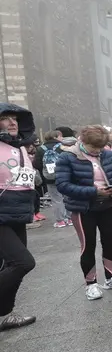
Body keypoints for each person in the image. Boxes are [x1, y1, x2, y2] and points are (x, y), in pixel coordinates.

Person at [56, 125, 112, 300]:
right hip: (83, 209)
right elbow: (63, 185)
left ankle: (111, 277)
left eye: (101, 147)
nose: (97, 151)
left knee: (110, 242)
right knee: (88, 245)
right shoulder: (67, 157)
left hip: (108, 204)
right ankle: (91, 284)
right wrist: (93, 191)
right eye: (93, 148)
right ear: (82, 141)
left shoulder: (110, 155)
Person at [0, 104, 38, 330]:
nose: (12, 122)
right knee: (22, 263)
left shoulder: (21, 146)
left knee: (12, 265)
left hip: (18, 212)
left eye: (14, 118)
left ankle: (5, 314)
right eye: (5, 118)